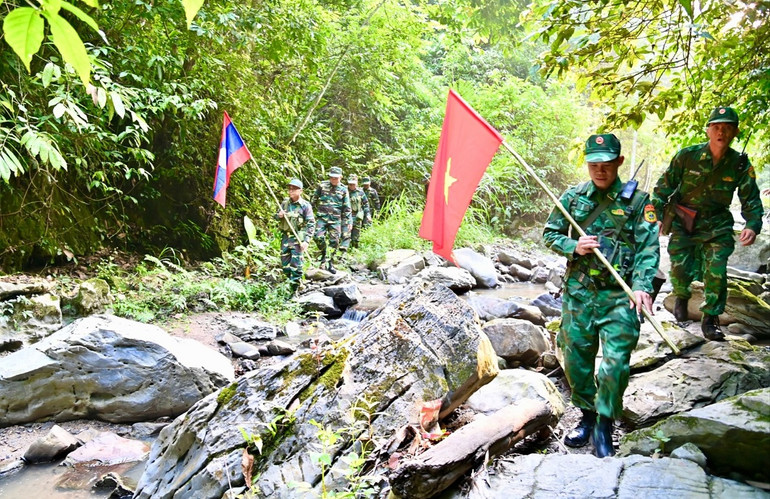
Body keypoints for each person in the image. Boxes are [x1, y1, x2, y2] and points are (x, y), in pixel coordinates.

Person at [543, 133, 660, 458]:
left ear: (618, 162)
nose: (600, 170)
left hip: (620, 296)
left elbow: (648, 248)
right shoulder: (573, 197)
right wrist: (573, 246)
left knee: (615, 365)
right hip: (579, 295)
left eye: (606, 164)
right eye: (594, 164)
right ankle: (587, 417)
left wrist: (641, 285)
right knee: (578, 361)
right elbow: (549, 233)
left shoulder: (638, 202)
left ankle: (606, 424)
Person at [651, 106, 763, 340]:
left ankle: (711, 319)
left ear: (735, 132)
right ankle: (681, 295)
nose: (721, 132)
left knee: (716, 271)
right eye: (716, 127)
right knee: (681, 268)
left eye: (727, 127)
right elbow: (663, 188)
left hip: (717, 224)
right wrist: (658, 216)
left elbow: (750, 197)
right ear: (708, 131)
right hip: (684, 221)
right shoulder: (687, 156)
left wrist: (752, 225)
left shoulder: (740, 164)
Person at [275, 178, 316, 295]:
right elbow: (275, 217)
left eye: (294, 189)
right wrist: (279, 215)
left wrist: (307, 241)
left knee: (296, 265)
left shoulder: (305, 206)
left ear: (300, 191)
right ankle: (290, 286)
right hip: (285, 237)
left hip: (298, 238)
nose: (291, 191)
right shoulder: (284, 203)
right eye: (290, 189)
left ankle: (295, 290)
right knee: (285, 264)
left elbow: (311, 224)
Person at [312, 166, 351, 272]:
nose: (333, 180)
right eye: (332, 177)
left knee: (334, 241)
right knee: (318, 237)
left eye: (336, 178)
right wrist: (311, 215)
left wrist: (348, 222)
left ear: (341, 177)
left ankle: (330, 263)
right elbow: (314, 200)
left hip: (335, 219)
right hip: (322, 218)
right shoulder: (322, 186)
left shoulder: (343, 189)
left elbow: (347, 208)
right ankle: (323, 254)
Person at [345, 175, 371, 248]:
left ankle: (354, 249)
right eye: (350, 184)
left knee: (356, 236)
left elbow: (365, 203)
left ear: (356, 183)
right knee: (345, 235)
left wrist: (368, 214)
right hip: (346, 216)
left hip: (357, 216)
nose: (352, 186)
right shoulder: (344, 191)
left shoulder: (360, 192)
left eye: (353, 184)